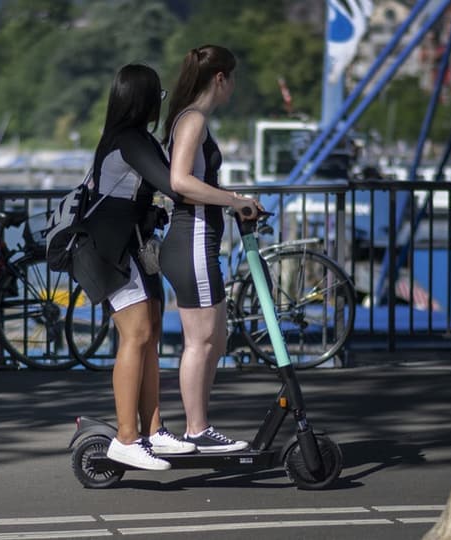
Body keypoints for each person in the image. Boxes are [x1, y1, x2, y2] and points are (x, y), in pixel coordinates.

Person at [72, 64, 196, 470]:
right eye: (158, 96)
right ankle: (127, 437)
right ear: (142, 99)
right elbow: (172, 183)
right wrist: (226, 198)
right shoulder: (127, 140)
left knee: (151, 333)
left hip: (134, 248)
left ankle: (154, 430)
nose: (160, 103)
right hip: (109, 252)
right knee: (137, 334)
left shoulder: (136, 138)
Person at [160, 45, 263, 453]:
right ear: (220, 78)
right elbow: (181, 181)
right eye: (232, 79)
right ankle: (197, 429)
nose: (234, 87)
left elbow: (196, 181)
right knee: (200, 342)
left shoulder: (192, 118)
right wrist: (231, 200)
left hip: (201, 243)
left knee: (216, 340)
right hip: (192, 242)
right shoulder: (193, 120)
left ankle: (199, 426)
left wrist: (231, 196)